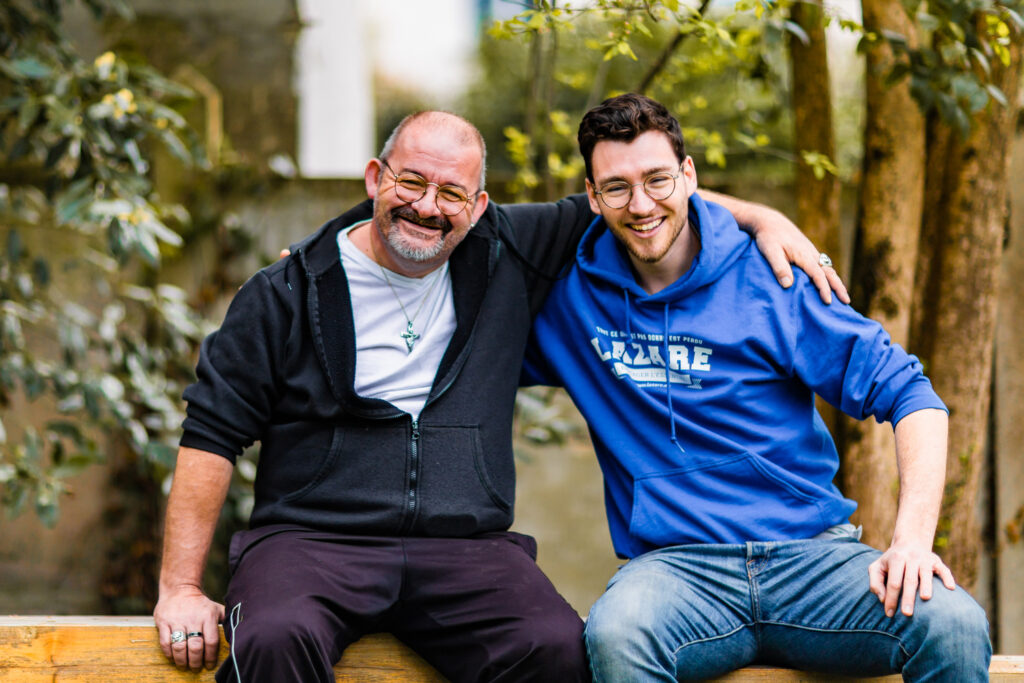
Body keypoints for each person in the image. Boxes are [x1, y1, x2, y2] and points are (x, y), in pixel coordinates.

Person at [153, 110, 843, 682]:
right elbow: (211, 433)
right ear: (375, 179)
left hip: (466, 547)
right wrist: (180, 587)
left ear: (479, 205)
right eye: (411, 182)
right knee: (274, 636)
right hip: (310, 540)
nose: (428, 206)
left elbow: (635, 193)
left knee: (555, 646)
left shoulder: (509, 249)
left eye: (452, 192)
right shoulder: (286, 293)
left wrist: (761, 217)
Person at [521, 93, 991, 682]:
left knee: (952, 624)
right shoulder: (570, 299)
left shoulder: (773, 275)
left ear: (689, 176)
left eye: (658, 180)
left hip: (813, 561)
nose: (641, 205)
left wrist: (913, 542)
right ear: (591, 197)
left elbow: (913, 396)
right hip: (678, 574)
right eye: (616, 188)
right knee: (616, 634)